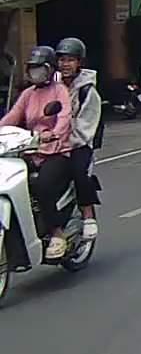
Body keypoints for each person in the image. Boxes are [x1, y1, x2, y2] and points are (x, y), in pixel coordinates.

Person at [0, 46, 75, 259]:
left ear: (50, 69)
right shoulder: (28, 94)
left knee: (43, 186)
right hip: (29, 150)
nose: (36, 72)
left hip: (56, 151)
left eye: (40, 68)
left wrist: (54, 134)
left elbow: (65, 117)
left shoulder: (59, 91)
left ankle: (57, 233)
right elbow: (12, 117)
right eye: (33, 68)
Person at [54, 37, 102, 240]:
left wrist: (65, 141)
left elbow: (86, 128)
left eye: (70, 60)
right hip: (49, 144)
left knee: (79, 172)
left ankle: (88, 215)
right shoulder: (50, 86)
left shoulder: (87, 91)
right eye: (62, 60)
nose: (65, 65)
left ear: (79, 62)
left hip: (77, 144)